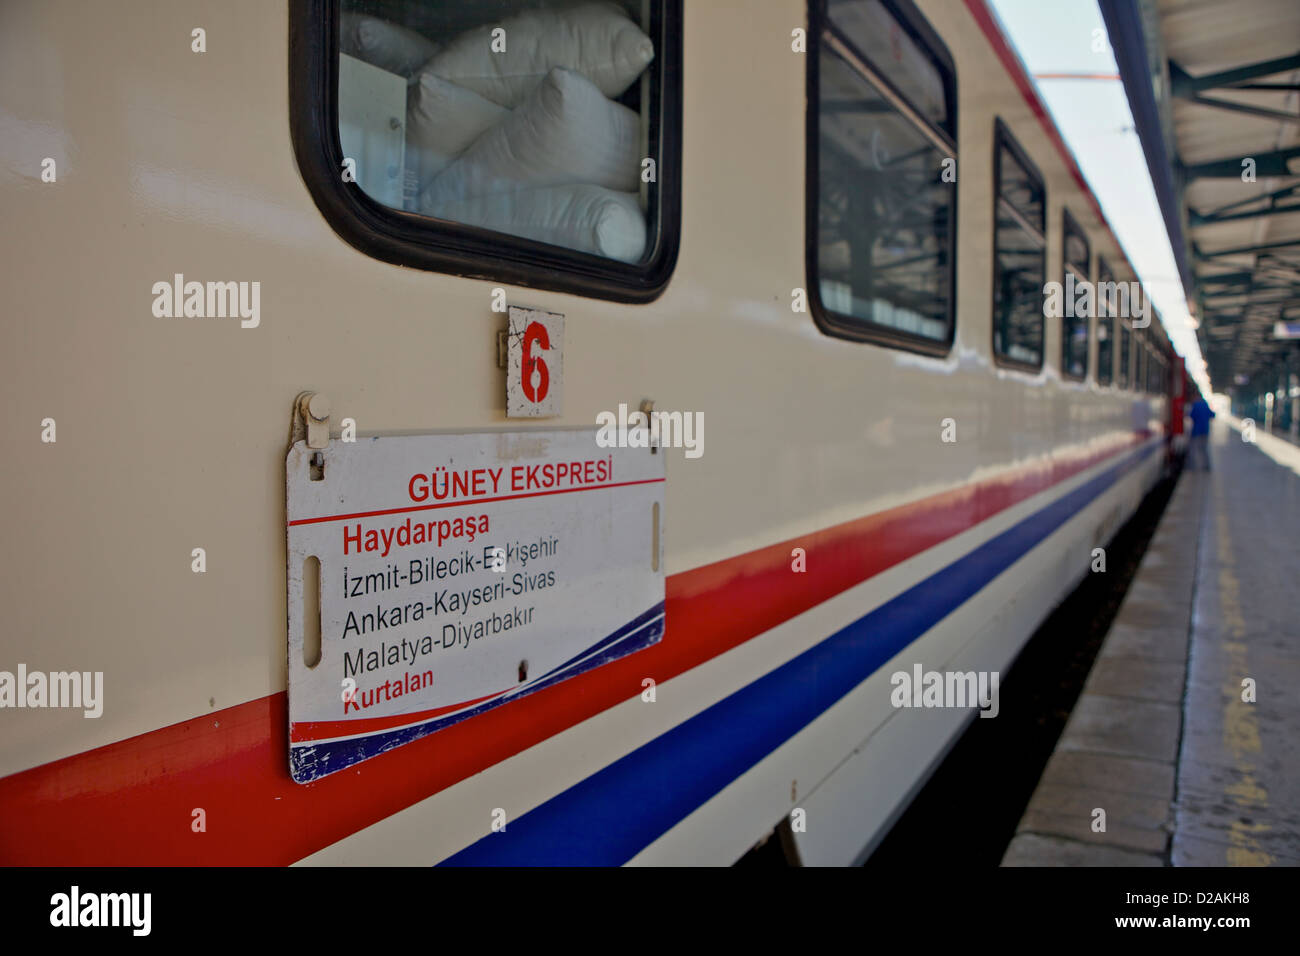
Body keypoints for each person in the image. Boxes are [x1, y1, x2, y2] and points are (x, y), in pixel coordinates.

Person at [1187, 397, 1215, 471]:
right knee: (1204, 449)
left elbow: (1191, 415)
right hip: (1205, 430)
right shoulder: (1206, 405)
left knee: (1193, 449)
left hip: (1196, 431)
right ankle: (1207, 466)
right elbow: (1212, 415)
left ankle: (1193, 466)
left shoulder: (1195, 405)